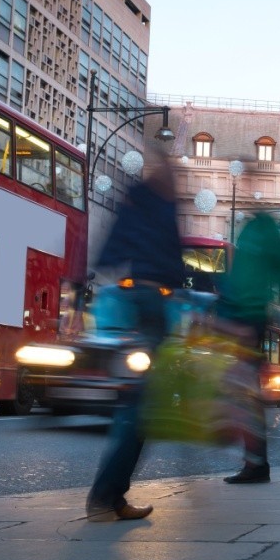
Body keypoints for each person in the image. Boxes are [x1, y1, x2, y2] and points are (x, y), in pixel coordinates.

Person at [86, 145, 184, 521]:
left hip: (146, 301)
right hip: (148, 303)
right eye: (174, 174)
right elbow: (144, 252)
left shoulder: (146, 200)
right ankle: (104, 496)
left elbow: (112, 251)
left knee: (139, 406)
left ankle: (111, 497)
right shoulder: (150, 201)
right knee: (139, 408)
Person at [217, 213, 280, 484]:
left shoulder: (264, 229)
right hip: (234, 314)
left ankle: (255, 463)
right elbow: (236, 273)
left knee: (243, 391)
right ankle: (254, 461)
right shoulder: (249, 226)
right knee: (240, 389)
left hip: (249, 317)